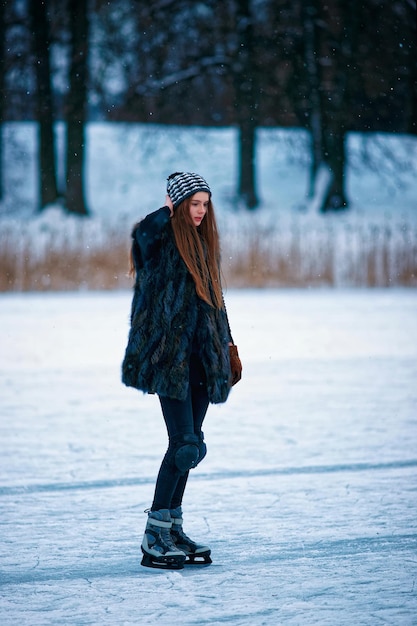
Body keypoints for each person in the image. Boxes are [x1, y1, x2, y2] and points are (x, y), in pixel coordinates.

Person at [122, 172, 241, 570]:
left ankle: (171, 527)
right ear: (178, 206)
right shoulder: (160, 243)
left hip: (202, 361)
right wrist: (164, 212)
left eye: (205, 204)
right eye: (194, 203)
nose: (201, 211)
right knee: (184, 443)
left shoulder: (205, 248)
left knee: (191, 449)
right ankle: (154, 534)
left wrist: (228, 347)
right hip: (168, 360)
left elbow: (217, 303)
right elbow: (140, 241)